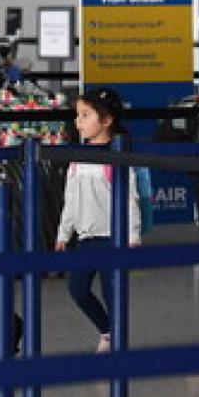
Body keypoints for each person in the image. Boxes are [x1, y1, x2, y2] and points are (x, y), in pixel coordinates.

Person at [55, 87, 142, 353]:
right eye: (77, 115)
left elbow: (130, 198)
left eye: (85, 115)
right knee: (77, 289)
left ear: (106, 121)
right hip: (86, 239)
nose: (77, 121)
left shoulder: (117, 157)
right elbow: (70, 199)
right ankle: (108, 331)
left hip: (112, 239)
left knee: (112, 294)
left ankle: (117, 343)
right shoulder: (78, 156)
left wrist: (132, 235)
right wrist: (63, 233)